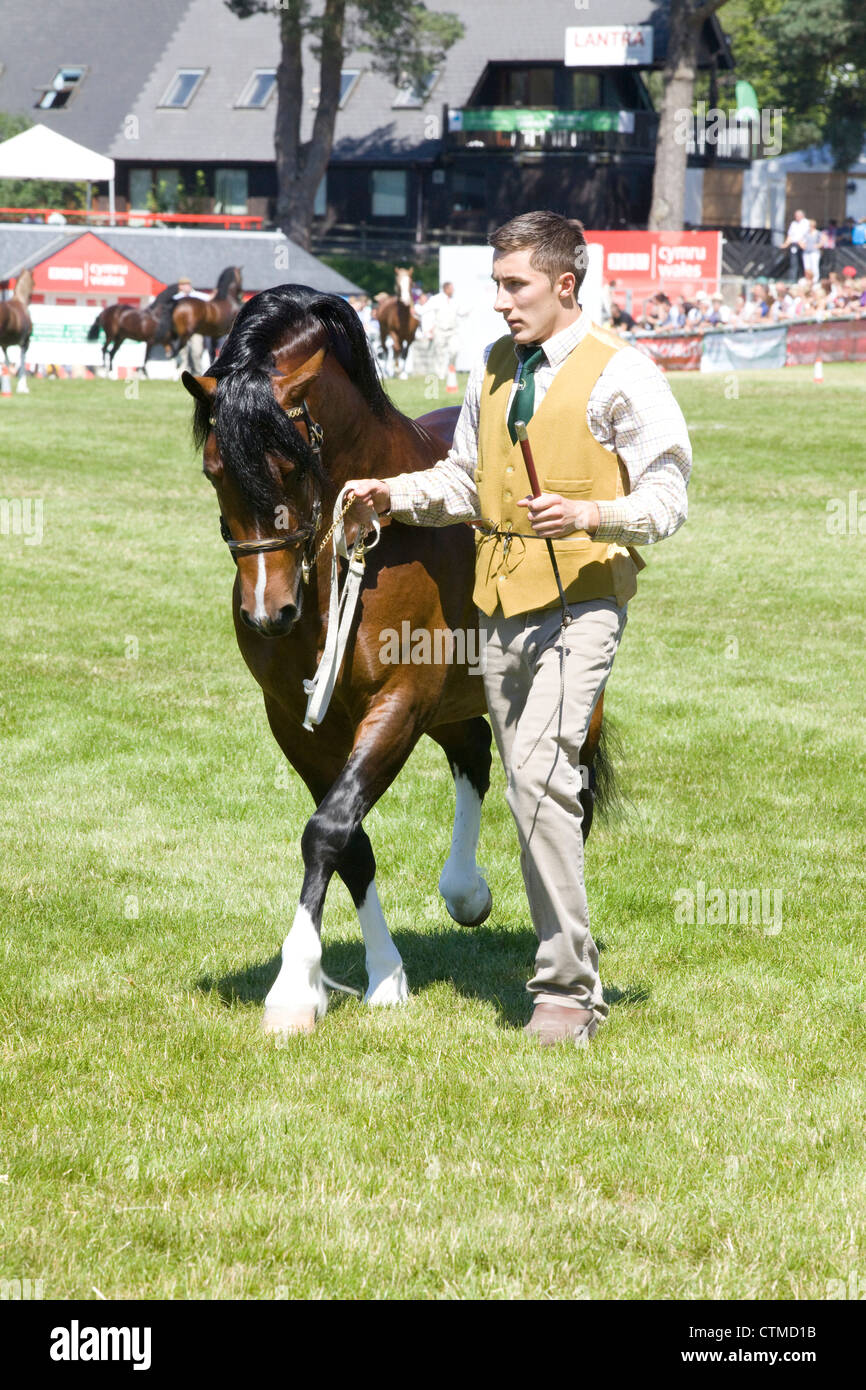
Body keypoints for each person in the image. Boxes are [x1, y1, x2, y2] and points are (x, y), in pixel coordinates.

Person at [344, 211, 692, 1048]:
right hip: (497, 602)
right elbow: (467, 479)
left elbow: (670, 499)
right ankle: (567, 967)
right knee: (530, 787)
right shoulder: (495, 368)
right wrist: (392, 496)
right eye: (497, 285)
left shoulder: (624, 373)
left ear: (564, 285)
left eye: (516, 286)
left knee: (540, 783)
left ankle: (566, 992)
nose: (501, 303)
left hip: (582, 599)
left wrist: (591, 511)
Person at [173, 275, 208, 374]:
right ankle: (183, 373)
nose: (185, 287)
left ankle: (198, 372)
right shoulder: (176, 299)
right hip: (181, 331)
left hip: (196, 330)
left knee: (197, 351)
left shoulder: (200, 297)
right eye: (183, 285)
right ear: (180, 287)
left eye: (187, 284)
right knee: (182, 353)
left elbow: (211, 302)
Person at [782, 209, 809, 281]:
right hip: (794, 245)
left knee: (803, 264)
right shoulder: (793, 223)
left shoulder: (806, 223)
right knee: (794, 263)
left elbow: (804, 234)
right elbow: (790, 235)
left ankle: (803, 279)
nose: (796, 217)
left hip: (803, 246)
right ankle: (792, 279)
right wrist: (786, 243)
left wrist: (800, 242)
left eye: (798, 216)